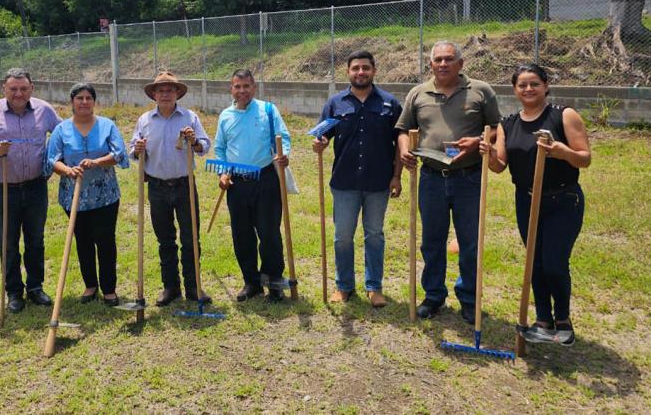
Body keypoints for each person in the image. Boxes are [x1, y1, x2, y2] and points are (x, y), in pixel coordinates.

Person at [480, 63, 591, 346]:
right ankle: (543, 320)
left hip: (563, 199)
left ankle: (563, 322)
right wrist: (490, 153)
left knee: (554, 262)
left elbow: (584, 158)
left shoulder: (563, 115)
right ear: (515, 90)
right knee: (534, 263)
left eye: (534, 84)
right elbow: (499, 166)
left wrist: (562, 152)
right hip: (526, 199)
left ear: (546, 86)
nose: (528, 89)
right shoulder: (508, 124)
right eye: (522, 85)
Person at [396, 41, 501, 324]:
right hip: (431, 179)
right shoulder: (418, 93)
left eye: (449, 59)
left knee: (469, 242)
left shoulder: (481, 91)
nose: (443, 64)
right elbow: (404, 129)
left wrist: (479, 141)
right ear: (430, 64)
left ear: (461, 63)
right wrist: (404, 148)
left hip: (468, 178)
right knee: (431, 241)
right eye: (437, 60)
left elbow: (498, 130)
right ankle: (433, 296)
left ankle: (468, 299)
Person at [312, 50, 403, 308]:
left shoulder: (389, 104)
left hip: (378, 183)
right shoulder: (335, 103)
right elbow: (323, 135)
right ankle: (344, 286)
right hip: (344, 183)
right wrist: (319, 144)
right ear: (348, 72)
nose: (360, 72)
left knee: (374, 235)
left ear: (374, 70)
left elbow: (400, 141)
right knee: (342, 236)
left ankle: (374, 287)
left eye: (365, 68)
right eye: (355, 68)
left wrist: (397, 176)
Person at [0, 68, 61, 313]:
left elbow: (63, 134)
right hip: (4, 189)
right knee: (8, 243)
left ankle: (35, 288)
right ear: (4, 89)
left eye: (23, 88)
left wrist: (54, 157)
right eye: (13, 89)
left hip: (35, 187)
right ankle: (14, 292)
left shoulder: (44, 110)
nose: (18, 93)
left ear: (32, 88)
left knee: (35, 240)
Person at [129, 71, 212, 306]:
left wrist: (194, 141)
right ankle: (171, 287)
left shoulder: (189, 117)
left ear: (177, 93)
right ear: (154, 94)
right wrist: (138, 148)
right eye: (161, 90)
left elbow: (204, 146)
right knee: (165, 238)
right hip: (157, 186)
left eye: (170, 90)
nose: (165, 94)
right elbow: (132, 150)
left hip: (184, 185)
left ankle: (194, 286)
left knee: (191, 237)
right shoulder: (145, 120)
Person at [45, 83, 129, 307]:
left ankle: (109, 288)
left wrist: (97, 162)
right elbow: (52, 160)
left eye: (88, 98)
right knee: (82, 241)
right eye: (79, 98)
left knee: (105, 240)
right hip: (73, 196)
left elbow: (119, 153)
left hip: (105, 196)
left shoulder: (107, 125)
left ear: (94, 101)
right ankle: (90, 285)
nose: (84, 102)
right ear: (72, 101)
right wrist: (68, 170)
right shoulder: (61, 130)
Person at [214, 69, 291, 303]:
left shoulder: (268, 110)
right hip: (237, 185)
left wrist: (283, 154)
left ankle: (274, 281)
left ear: (254, 87)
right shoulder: (225, 116)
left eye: (246, 86)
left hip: (265, 180)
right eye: (237, 86)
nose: (242, 91)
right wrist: (222, 172)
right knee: (242, 234)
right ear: (231, 89)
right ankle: (252, 282)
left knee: (269, 234)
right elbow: (220, 149)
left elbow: (283, 137)